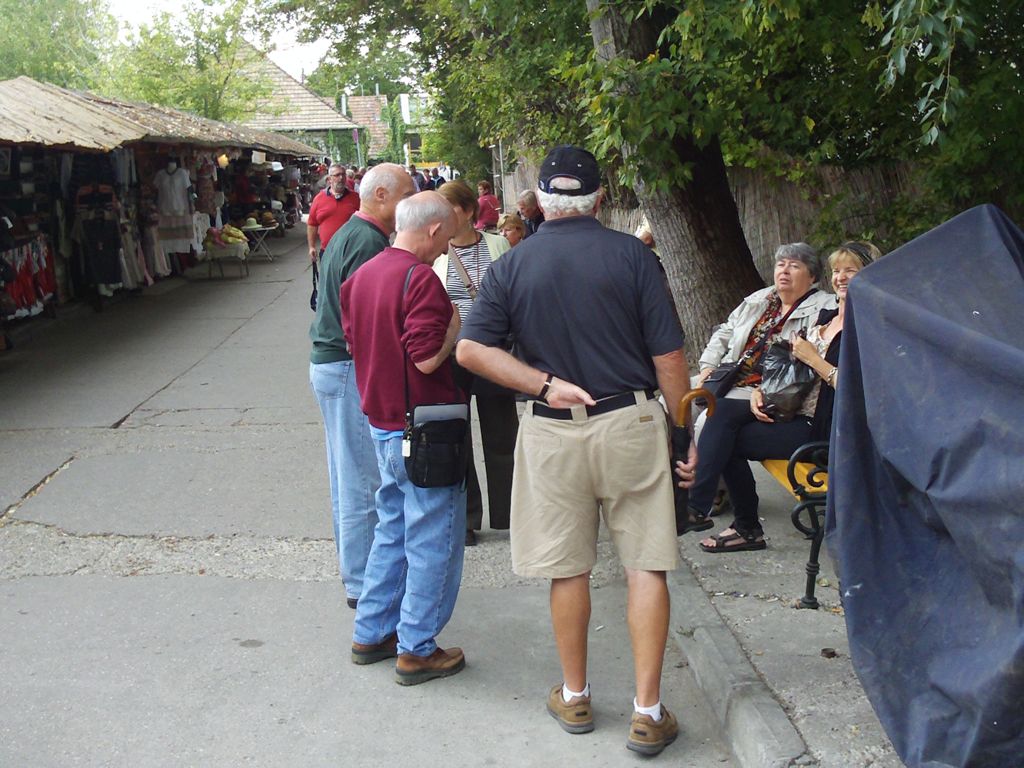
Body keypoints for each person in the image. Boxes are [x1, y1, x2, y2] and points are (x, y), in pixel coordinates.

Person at [457, 145, 697, 756]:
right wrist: (681, 429)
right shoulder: (633, 256)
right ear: (601, 198)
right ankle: (648, 710)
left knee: (568, 568)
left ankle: (575, 693)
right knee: (647, 562)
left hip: (551, 427)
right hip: (630, 423)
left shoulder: (513, 263)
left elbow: (471, 351)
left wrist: (542, 384)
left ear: (539, 200)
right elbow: (670, 357)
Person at [340, 191, 467, 685]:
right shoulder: (420, 280)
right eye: (445, 240)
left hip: (382, 422)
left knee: (392, 527)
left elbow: (356, 344)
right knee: (434, 534)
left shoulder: (360, 278)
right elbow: (425, 358)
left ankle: (371, 631)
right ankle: (417, 646)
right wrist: (454, 327)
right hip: (426, 428)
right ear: (433, 230)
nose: (444, 251)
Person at [308, 163, 416, 609]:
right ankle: (362, 582)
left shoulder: (353, 233)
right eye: (406, 195)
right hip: (345, 365)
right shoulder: (369, 240)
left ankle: (357, 574)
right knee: (361, 481)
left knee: (346, 476)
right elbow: (369, 314)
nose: (409, 204)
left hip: (332, 364)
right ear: (382, 195)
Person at [688, 243, 842, 552]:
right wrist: (710, 368)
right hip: (755, 389)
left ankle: (704, 506)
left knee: (719, 423)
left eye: (794, 266)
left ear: (813, 276)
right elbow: (726, 333)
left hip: (818, 421)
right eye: (838, 272)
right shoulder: (822, 316)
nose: (842, 279)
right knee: (684, 408)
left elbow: (842, 381)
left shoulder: (838, 316)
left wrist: (812, 359)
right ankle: (721, 515)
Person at [435, 180, 517, 546]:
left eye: (449, 208)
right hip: (451, 355)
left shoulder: (497, 245)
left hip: (493, 352)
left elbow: (513, 292)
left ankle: (511, 513)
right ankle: (467, 518)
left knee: (502, 435)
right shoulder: (436, 252)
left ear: (468, 211)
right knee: (457, 436)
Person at [306, 163, 358, 263]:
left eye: (343, 174)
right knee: (329, 279)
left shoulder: (356, 198)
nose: (341, 178)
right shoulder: (319, 199)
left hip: (351, 251)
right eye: (337, 175)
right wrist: (311, 247)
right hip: (327, 251)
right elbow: (312, 224)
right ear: (329, 179)